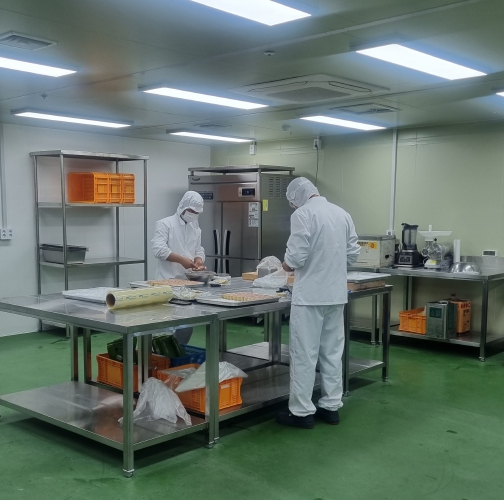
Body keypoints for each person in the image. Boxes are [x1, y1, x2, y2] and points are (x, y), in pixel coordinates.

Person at [276, 177, 360, 429]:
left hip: (309, 297)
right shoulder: (342, 213)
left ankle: (302, 412)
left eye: (292, 202)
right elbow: (353, 254)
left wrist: (285, 265)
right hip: (335, 295)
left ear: (297, 197)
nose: (293, 206)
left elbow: (296, 257)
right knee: (332, 353)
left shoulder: (302, 214)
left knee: (304, 353)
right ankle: (331, 407)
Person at [151, 191, 206, 344]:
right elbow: (158, 249)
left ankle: (177, 353)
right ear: (182, 207)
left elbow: (198, 249)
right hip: (166, 283)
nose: (193, 214)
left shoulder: (195, 227)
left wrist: (198, 260)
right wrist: (181, 260)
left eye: (197, 212)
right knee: (165, 326)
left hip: (186, 285)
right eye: (191, 211)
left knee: (185, 325)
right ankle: (160, 355)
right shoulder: (165, 224)